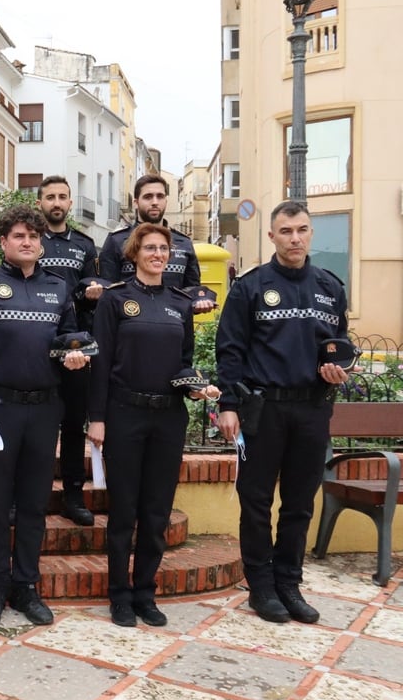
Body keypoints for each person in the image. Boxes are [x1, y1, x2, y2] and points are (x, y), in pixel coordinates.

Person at [216, 200, 351, 624]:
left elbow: (340, 348)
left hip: (311, 411)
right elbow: (230, 350)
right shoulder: (251, 287)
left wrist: (339, 370)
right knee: (255, 502)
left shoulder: (330, 287)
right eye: (286, 231)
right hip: (263, 410)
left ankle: (289, 583)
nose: (295, 238)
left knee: (299, 504)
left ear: (311, 234)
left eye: (302, 230)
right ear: (272, 236)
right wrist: (228, 405)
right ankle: (261, 586)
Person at [0, 205, 86, 627]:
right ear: (4, 242)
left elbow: (68, 337)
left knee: (33, 503)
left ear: (41, 242)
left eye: (34, 235)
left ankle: (26, 585)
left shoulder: (58, 287)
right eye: (19, 235)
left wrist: (76, 353)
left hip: (44, 408)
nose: (27, 241)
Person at [86, 222, 216, 628]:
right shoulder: (115, 301)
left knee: (156, 512)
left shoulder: (180, 304)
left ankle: (145, 591)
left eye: (165, 249)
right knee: (124, 511)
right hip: (125, 415)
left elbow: (185, 362)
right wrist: (98, 419)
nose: (158, 254)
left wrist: (196, 388)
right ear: (135, 254)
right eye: (150, 248)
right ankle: (119, 595)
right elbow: (100, 363)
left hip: (168, 417)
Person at [35, 176, 103, 527]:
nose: (56, 203)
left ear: (69, 201)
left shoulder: (85, 245)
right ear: (40, 203)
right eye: (50, 197)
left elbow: (98, 287)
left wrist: (94, 290)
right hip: (36, 345)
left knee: (74, 424)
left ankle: (73, 496)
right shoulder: (30, 239)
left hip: (76, 347)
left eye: (62, 197)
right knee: (40, 425)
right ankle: (36, 494)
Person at [99, 175, 214, 313]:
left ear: (166, 200)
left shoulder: (184, 243)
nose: (155, 202)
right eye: (148, 197)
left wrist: (199, 301)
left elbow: (193, 288)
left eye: (160, 196)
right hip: (130, 323)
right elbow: (107, 289)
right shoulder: (117, 240)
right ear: (136, 202)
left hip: (174, 325)